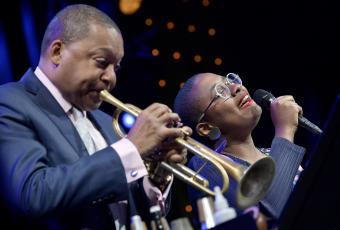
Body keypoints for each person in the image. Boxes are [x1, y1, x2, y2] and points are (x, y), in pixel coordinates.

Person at [0, 4, 190, 230]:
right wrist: (131, 149)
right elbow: (32, 195)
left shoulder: (103, 120)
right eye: (102, 62)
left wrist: (157, 176)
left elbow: (127, 209)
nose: (111, 78)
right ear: (57, 52)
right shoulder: (9, 102)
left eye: (116, 68)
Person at [173, 72, 305, 227]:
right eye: (220, 92)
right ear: (207, 128)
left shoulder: (273, 152)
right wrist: (285, 130)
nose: (237, 87)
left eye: (230, 81)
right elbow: (271, 216)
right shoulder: (207, 166)